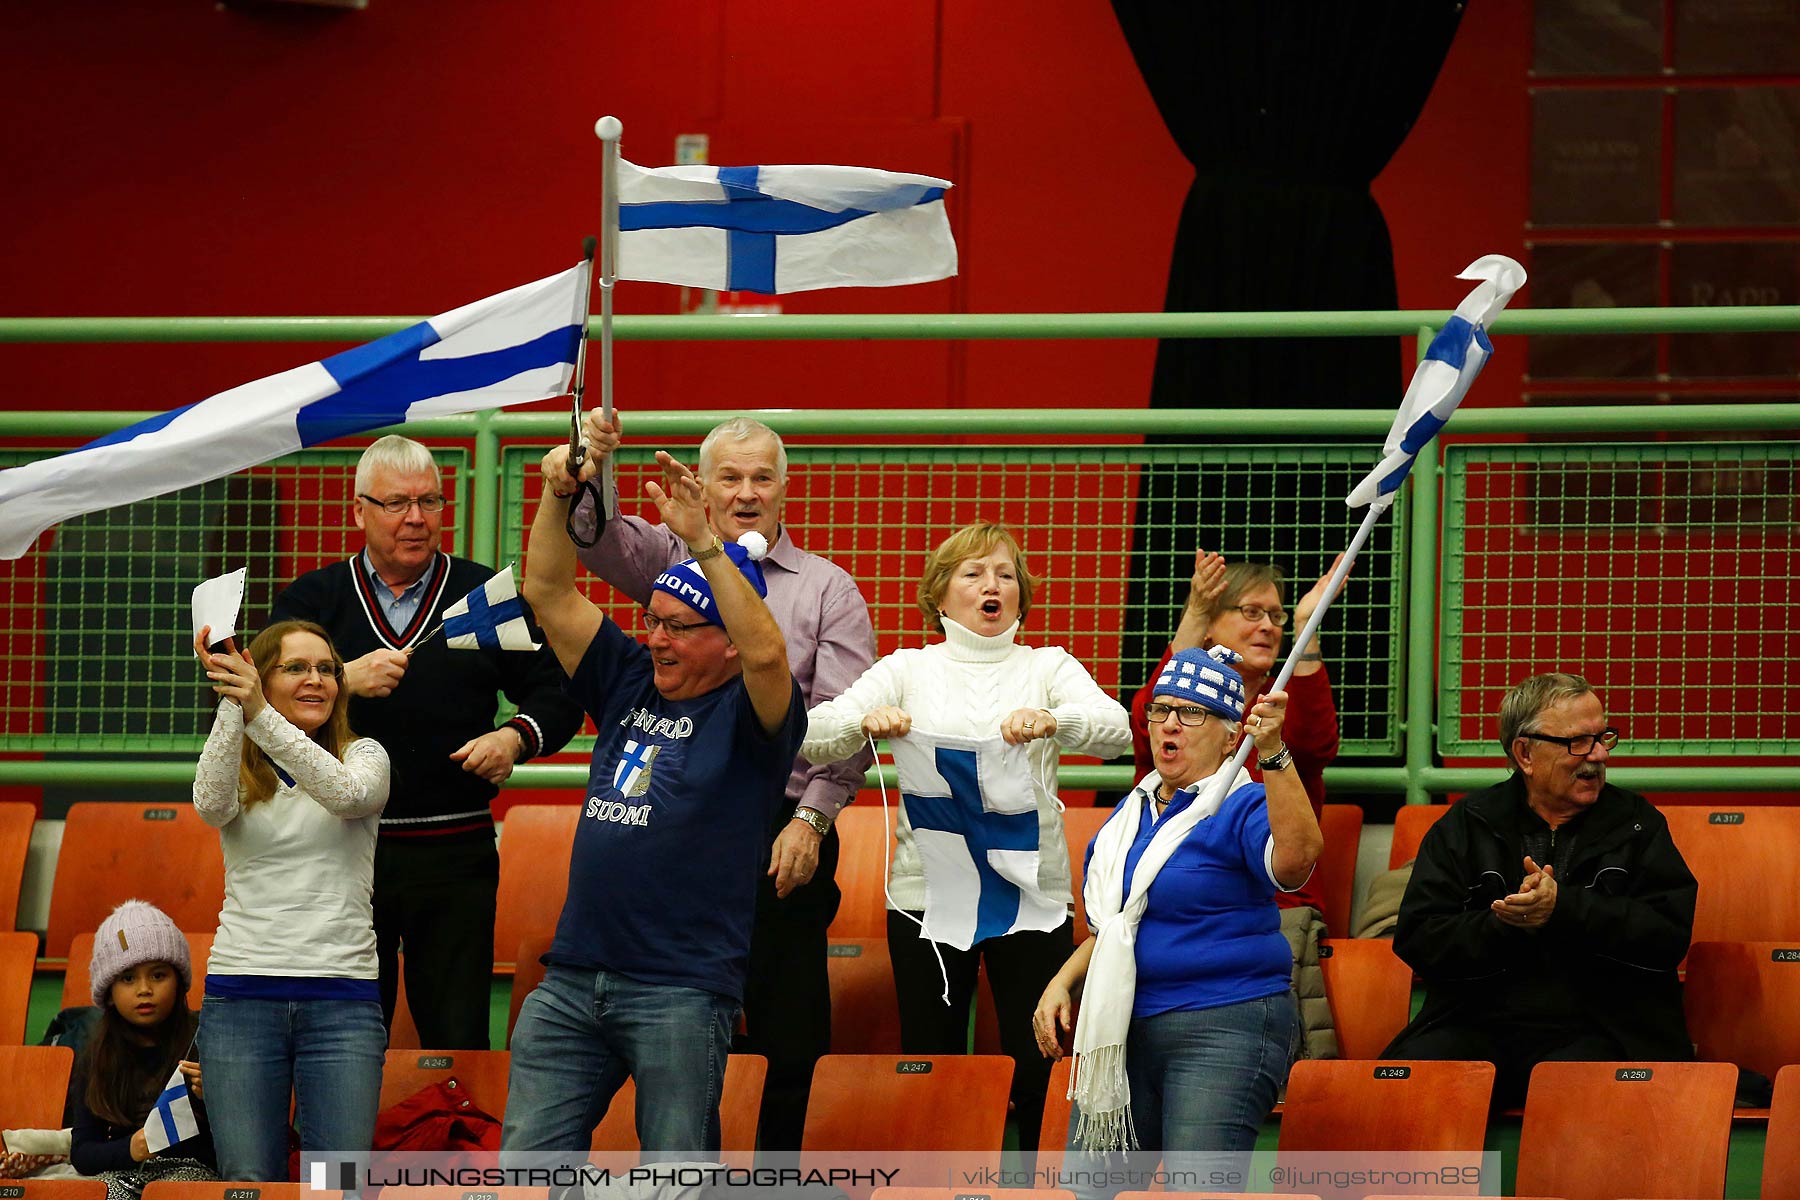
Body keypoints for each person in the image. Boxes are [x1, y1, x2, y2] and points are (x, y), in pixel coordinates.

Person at [552, 412, 875, 1149]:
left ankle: (777, 1187)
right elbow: (592, 538)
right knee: (690, 1032)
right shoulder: (668, 554)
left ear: (786, 488)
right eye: (729, 477)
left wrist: (812, 819)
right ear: (705, 484)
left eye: (763, 477)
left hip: (781, 828)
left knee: (788, 1029)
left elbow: (845, 719)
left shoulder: (829, 590)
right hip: (677, 821)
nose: (746, 492)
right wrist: (594, 465)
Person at [502, 446, 804, 1156]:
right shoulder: (629, 677)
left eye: (677, 628)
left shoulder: (756, 715)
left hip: (680, 990)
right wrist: (557, 492)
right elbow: (547, 591)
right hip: (571, 981)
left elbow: (767, 656)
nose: (655, 638)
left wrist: (704, 540)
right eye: (654, 620)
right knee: (523, 1171)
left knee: (675, 1178)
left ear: (725, 643)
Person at [803, 521, 1131, 1151]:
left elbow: (1116, 728)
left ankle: (1044, 1193)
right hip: (929, 895)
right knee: (934, 1062)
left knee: (1039, 1057)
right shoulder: (905, 668)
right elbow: (813, 731)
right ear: (940, 594)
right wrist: (861, 723)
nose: (993, 585)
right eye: (974, 573)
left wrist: (1054, 719)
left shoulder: (1049, 666)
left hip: (1031, 896)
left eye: (1006, 574)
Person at [269, 435, 582, 1050]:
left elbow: (559, 695)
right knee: (346, 1038)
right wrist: (341, 681)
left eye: (431, 501)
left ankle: (457, 1150)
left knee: (458, 1035)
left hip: (455, 852)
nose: (416, 518)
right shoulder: (313, 601)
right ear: (357, 510)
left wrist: (515, 737)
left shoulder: (483, 596)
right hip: (337, 853)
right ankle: (344, 1151)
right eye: (395, 503)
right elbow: (257, 712)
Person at [1034, 646, 1321, 1168]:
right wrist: (1060, 981)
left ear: (1233, 734)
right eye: (1160, 710)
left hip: (1224, 1022)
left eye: (1191, 713)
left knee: (1197, 1187)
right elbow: (1115, 926)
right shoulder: (1128, 815)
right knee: (1091, 1188)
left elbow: (1296, 863)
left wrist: (1275, 752)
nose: (1170, 725)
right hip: (1124, 1028)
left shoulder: (1243, 804)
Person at [1382, 672, 1697, 1107]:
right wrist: (1506, 924)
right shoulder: (1467, 824)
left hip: (1605, 1026)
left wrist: (1564, 908)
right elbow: (1418, 937)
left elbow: (1668, 935)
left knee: (1579, 1091)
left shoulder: (1639, 825)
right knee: (1409, 1084)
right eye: (1578, 742)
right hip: (1478, 1022)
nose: (1599, 755)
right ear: (1525, 753)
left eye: (1603, 736)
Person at [191, 619, 389, 1180]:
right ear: (263, 679)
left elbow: (348, 796)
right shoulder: (238, 761)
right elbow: (209, 805)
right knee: (249, 1184)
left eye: (327, 669)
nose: (317, 680)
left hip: (343, 1004)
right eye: (296, 668)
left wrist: (258, 709)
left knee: (336, 1185)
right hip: (241, 1001)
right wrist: (235, 697)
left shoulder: (365, 754)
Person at [1130, 551, 1341, 913]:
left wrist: (1307, 625)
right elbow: (1147, 716)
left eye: (1277, 616)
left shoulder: (1282, 701)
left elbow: (1315, 743)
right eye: (1251, 612)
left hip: (1274, 908)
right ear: (1210, 626)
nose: (1269, 626)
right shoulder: (1168, 710)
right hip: (1169, 903)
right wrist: (1196, 613)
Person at [70, 901, 215, 1200]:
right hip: (124, 1173)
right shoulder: (96, 1056)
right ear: (108, 990)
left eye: (158, 975)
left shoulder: (205, 1041)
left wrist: (214, 1102)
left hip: (193, 1174)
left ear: (179, 981)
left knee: (176, 1192)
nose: (144, 989)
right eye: (128, 978)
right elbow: (82, 1153)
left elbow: (240, 1153)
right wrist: (130, 1148)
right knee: (103, 1191)